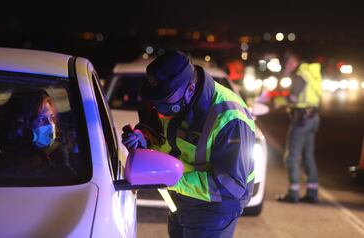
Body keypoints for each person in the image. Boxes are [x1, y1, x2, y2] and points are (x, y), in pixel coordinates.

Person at [122, 50, 256, 238]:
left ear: (190, 89)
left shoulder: (230, 118)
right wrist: (143, 137)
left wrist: (172, 179)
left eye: (164, 100)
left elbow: (231, 185)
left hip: (215, 206)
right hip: (182, 196)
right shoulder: (171, 99)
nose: (158, 108)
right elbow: (161, 134)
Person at [276, 51, 322, 203]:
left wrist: (279, 101)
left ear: (292, 62)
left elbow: (293, 98)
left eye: (287, 64)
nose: (286, 67)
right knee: (308, 156)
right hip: (313, 117)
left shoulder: (299, 76)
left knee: (292, 156)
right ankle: (312, 193)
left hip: (302, 119)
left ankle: (293, 193)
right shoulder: (311, 72)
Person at [0, 88, 76, 176]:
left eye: (51, 118)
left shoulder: (54, 154)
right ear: (22, 127)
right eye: (41, 120)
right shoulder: (10, 164)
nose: (51, 125)